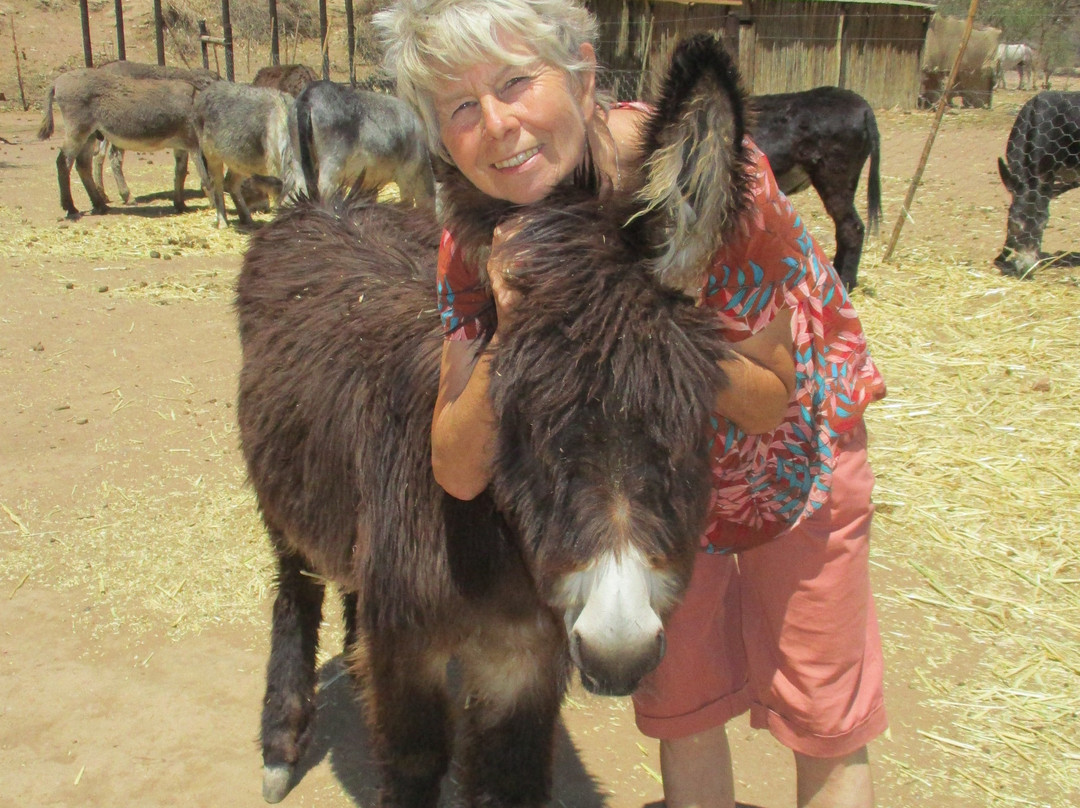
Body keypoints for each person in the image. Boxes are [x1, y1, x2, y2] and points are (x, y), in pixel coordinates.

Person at [373, 2, 888, 807]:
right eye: (461, 107)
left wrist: (655, 323)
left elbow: (768, 402)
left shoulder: (712, 183)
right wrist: (518, 328)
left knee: (821, 712)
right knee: (683, 706)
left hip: (793, 465)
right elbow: (458, 469)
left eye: (515, 82)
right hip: (662, 496)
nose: (499, 125)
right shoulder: (475, 243)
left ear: (581, 71)